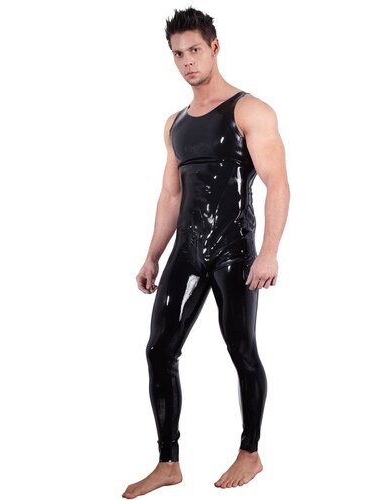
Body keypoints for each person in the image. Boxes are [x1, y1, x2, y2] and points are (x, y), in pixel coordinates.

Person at [122, 6, 290, 499]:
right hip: (188, 252)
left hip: (235, 252)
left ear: (214, 47)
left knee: (241, 348)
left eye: (195, 50)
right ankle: (168, 463)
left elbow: (278, 185)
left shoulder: (250, 110)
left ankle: (250, 452)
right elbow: (170, 195)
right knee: (159, 351)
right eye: (178, 54)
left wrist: (269, 252)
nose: (187, 62)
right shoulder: (174, 124)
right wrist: (152, 256)